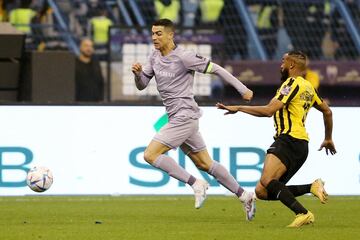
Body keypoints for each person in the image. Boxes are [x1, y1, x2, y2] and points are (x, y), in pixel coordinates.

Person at [131, 18, 256, 220]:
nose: (154, 37)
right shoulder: (154, 56)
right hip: (178, 118)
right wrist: (137, 75)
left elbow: (217, 69)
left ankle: (196, 183)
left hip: (185, 116)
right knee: (206, 164)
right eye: (153, 33)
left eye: (159, 33)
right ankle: (244, 195)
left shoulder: (184, 57)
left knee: (150, 155)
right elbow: (142, 85)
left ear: (171, 35)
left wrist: (243, 89)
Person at [216, 50, 336, 227]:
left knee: (267, 181)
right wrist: (328, 138)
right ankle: (311, 186)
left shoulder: (291, 84)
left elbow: (269, 111)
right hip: (300, 145)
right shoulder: (308, 87)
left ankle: (303, 213)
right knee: (262, 191)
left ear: (291, 65)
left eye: (283, 61)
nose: (281, 65)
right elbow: (327, 111)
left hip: (289, 139)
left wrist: (239, 108)